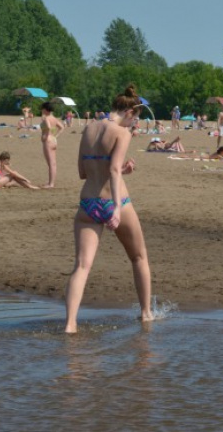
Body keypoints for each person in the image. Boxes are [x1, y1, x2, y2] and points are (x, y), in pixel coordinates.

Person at [65, 84, 154, 333]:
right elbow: (113, 170)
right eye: (135, 119)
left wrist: (119, 170)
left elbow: (83, 172)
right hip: (115, 203)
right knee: (138, 257)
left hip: (88, 203)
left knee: (82, 266)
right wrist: (116, 208)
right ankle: (146, 314)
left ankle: (70, 324)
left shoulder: (88, 128)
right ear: (128, 113)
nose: (133, 125)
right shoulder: (121, 133)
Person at [39, 101, 65, 188]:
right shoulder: (54, 118)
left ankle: (51, 184)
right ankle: (51, 182)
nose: (41, 110)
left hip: (48, 141)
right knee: (53, 163)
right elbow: (61, 127)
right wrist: (55, 136)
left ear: (45, 109)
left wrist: (46, 135)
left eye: (42, 108)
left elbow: (49, 127)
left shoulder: (46, 118)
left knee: (50, 163)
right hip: (53, 140)